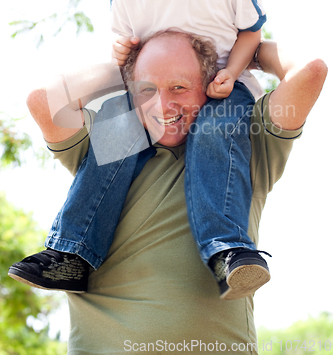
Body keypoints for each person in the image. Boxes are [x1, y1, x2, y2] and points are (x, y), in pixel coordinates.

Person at [9, 0, 271, 300]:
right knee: (116, 122)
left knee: (213, 129)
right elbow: (130, 58)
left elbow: (251, 31)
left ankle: (230, 252)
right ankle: (72, 252)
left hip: (222, 87)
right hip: (156, 94)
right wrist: (120, 55)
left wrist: (230, 71)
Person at [11, 32, 328, 355]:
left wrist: (246, 58)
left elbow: (310, 70)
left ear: (209, 85)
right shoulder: (107, 148)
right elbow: (42, 99)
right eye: (147, 90)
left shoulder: (242, 146)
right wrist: (122, 70)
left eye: (179, 87)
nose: (163, 105)